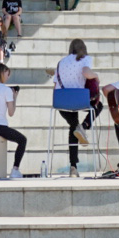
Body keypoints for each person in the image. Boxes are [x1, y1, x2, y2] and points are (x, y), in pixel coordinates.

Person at [49, 39, 100, 176]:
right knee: (98, 105)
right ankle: (83, 126)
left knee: (73, 126)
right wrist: (96, 76)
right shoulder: (85, 59)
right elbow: (86, 73)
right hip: (78, 100)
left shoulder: (61, 62)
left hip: (60, 101)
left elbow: (55, 86)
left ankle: (73, 167)